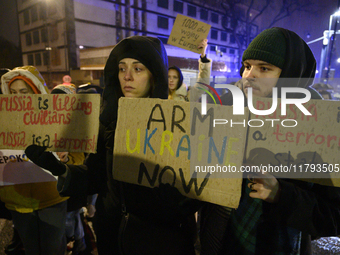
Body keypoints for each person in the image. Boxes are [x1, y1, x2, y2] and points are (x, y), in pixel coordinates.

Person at [25, 36, 200, 254]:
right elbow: (96, 177)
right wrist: (61, 170)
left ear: (154, 76)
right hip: (112, 239)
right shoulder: (107, 122)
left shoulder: (176, 127)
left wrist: (171, 195)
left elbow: (191, 198)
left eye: (138, 69)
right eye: (121, 68)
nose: (127, 76)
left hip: (158, 244)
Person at [199, 27, 340, 255]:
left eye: (264, 68)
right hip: (222, 240)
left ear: (290, 74)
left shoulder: (320, 127)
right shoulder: (227, 109)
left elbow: (333, 216)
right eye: (247, 66)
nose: (249, 76)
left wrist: (281, 195)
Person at [0, 66, 68, 255]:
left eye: (24, 92)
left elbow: (79, 158)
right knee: (31, 250)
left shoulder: (56, 118)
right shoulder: (3, 121)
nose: (18, 97)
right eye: (13, 92)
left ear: (36, 91)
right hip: (18, 200)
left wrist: (67, 156)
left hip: (52, 198)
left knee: (53, 249)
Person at [51, 84, 87, 255]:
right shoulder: (47, 125)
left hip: (71, 187)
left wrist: (65, 160)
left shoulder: (77, 128)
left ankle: (77, 243)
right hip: (55, 189)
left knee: (70, 218)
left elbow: (80, 160)